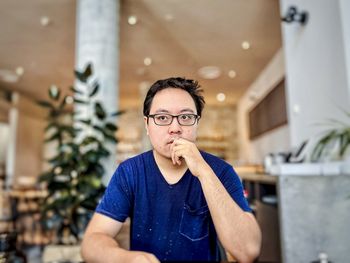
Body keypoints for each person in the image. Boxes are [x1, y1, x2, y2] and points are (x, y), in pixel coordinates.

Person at [81, 77, 261, 263]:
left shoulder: (221, 171)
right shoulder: (130, 172)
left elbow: (248, 251)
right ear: (147, 124)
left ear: (197, 123)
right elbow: (92, 242)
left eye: (185, 117)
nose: (175, 128)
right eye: (162, 118)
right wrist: (127, 259)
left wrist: (204, 172)